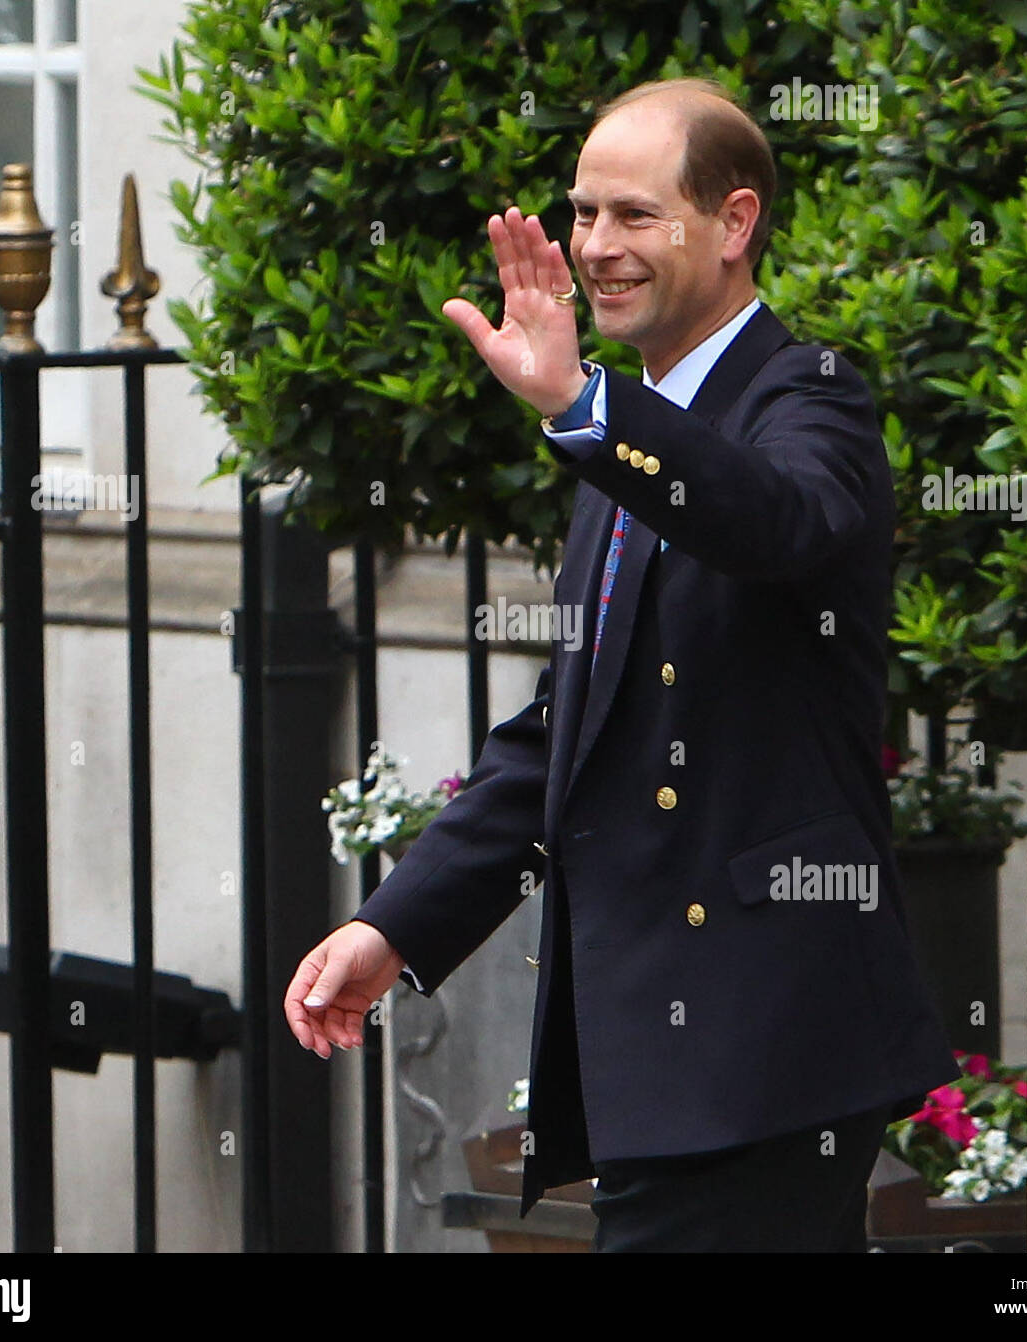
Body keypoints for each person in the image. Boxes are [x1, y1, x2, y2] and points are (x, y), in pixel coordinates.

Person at [284, 76, 960, 1252]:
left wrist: (583, 411)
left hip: (762, 1054)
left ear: (734, 223)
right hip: (661, 1062)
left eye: (635, 216)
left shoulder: (808, 400)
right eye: (585, 214)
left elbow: (771, 521)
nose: (598, 246)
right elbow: (568, 730)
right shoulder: (623, 431)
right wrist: (397, 924)